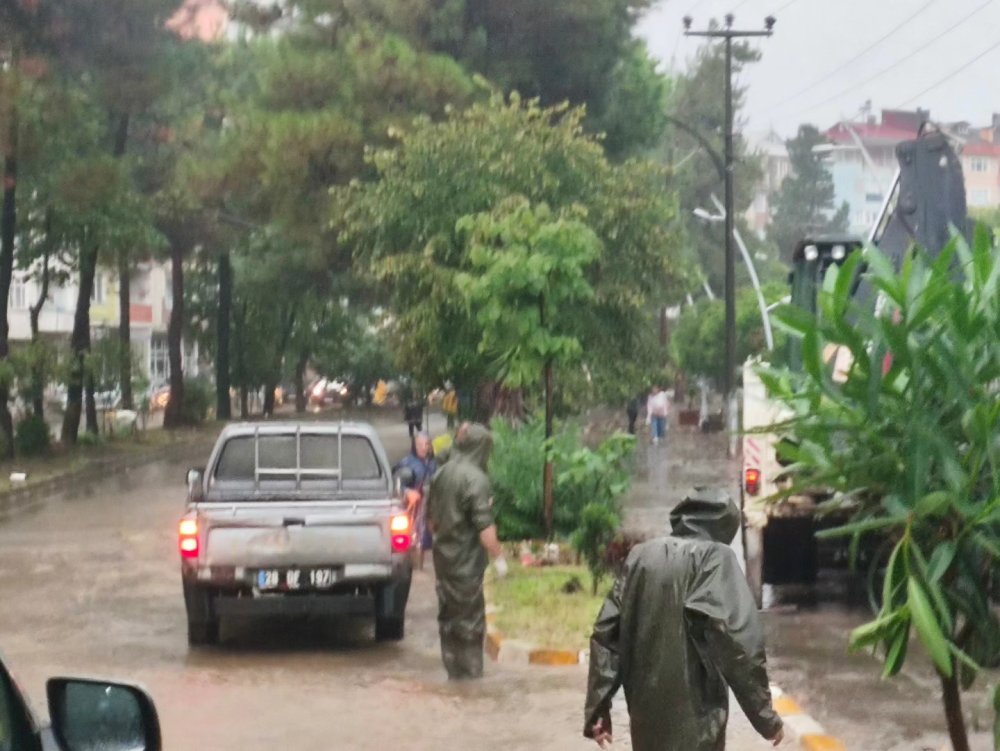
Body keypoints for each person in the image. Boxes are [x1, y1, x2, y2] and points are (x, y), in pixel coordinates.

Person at [583, 488, 784, 751]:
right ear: (726, 527)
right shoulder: (715, 559)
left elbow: (607, 636)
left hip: (646, 719)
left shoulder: (640, 557)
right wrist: (766, 718)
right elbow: (741, 645)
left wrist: (598, 708)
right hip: (697, 721)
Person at [425, 422, 508, 680]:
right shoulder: (476, 480)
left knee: (448, 621)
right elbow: (485, 531)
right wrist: (500, 558)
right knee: (470, 625)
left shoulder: (441, 473)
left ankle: (453, 677)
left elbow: (431, 522)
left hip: (443, 563)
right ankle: (471, 683)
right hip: (466, 566)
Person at [394, 432, 437, 570]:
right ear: (415, 446)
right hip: (413, 508)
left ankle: (422, 568)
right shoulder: (406, 463)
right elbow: (396, 484)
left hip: (430, 505)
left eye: (427, 444)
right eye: (421, 445)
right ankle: (414, 570)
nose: (424, 448)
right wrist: (407, 492)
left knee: (426, 538)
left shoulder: (433, 463)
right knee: (413, 538)